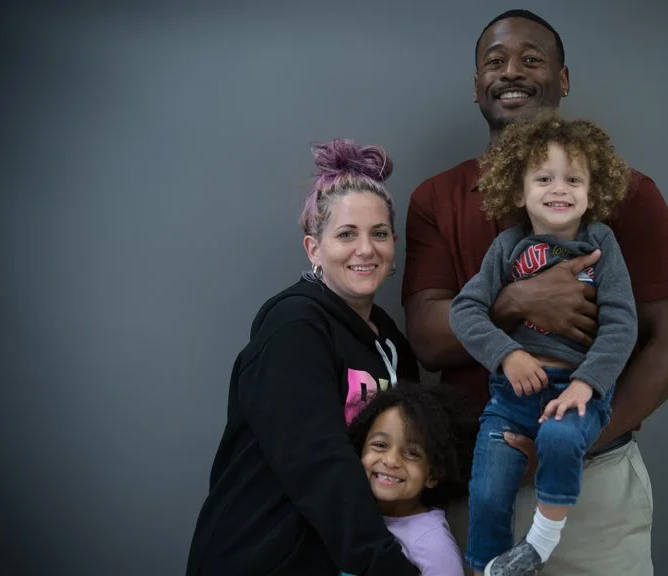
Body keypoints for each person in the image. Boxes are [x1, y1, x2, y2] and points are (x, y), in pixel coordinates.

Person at [402, 9, 668, 575]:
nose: (512, 71)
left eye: (532, 59)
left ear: (562, 79)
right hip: (478, 473)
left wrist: (572, 439)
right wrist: (518, 301)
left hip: (592, 480)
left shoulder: (627, 194)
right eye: (495, 61)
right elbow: (427, 339)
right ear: (476, 85)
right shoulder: (436, 198)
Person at [186, 138, 422, 575]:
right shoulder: (294, 329)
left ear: (393, 245)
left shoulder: (393, 344)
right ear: (314, 249)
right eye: (346, 234)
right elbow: (318, 462)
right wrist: (386, 566)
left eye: (379, 234)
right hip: (263, 559)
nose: (365, 249)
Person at [449, 109, 638, 575]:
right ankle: (491, 568)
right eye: (544, 178)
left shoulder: (600, 242)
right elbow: (464, 311)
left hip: (576, 391)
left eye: (573, 179)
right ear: (519, 191)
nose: (560, 189)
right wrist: (507, 354)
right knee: (487, 489)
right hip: (511, 397)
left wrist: (587, 384)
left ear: (592, 192)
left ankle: (539, 543)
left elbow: (621, 324)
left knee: (559, 436)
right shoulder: (506, 247)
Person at [342, 381, 471, 576]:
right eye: (380, 445)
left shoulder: (433, 545)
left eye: (412, 453)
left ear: (432, 475)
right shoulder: (349, 513)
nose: (391, 461)